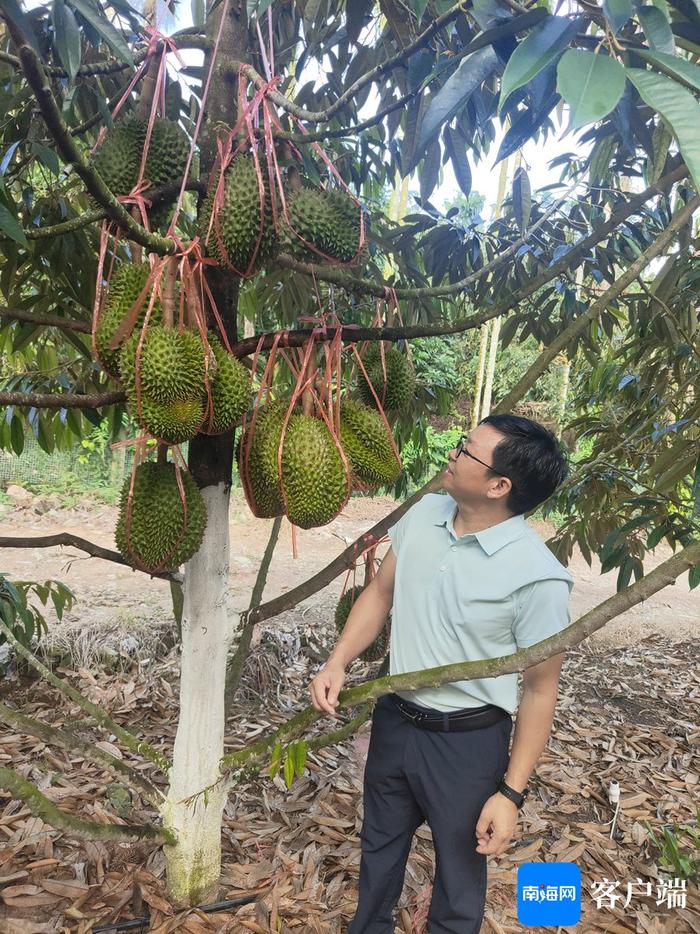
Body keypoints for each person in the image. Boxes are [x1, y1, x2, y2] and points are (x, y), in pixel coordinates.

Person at [309, 414, 575, 933]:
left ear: (500, 486)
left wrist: (511, 792)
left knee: (459, 878)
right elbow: (381, 593)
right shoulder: (425, 513)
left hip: (468, 743)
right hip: (396, 721)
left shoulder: (539, 577)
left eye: (466, 451)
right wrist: (337, 660)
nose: (451, 455)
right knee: (379, 854)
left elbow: (541, 691)